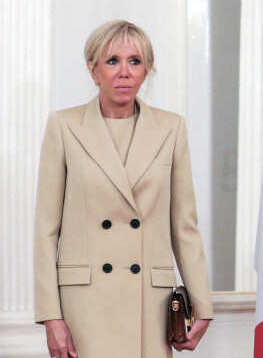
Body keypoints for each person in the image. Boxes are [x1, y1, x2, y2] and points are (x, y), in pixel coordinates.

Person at [34, 20, 213, 357]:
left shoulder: (171, 128)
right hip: (84, 306)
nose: (124, 72)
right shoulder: (64, 126)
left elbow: (184, 226)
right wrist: (50, 317)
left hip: (149, 302)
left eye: (135, 61)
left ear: (147, 70)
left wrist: (202, 304)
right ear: (93, 70)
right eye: (112, 61)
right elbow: (46, 231)